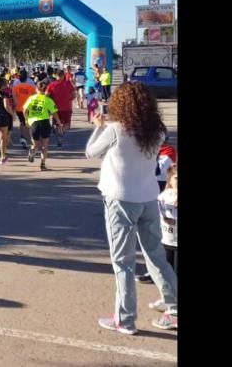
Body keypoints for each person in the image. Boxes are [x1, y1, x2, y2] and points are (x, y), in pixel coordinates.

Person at [86, 82, 177, 334]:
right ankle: (174, 308)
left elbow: (91, 152)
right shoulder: (156, 130)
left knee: (123, 262)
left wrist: (98, 128)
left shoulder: (116, 129)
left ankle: (125, 319)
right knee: (156, 256)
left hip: (120, 199)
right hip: (148, 198)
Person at [145, 164, 178, 317]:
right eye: (176, 178)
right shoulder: (164, 195)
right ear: (170, 179)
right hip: (166, 241)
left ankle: (175, 311)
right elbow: (157, 214)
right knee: (165, 273)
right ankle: (167, 300)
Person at [23, 81, 62, 171]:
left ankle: (32, 151)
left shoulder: (31, 98)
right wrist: (58, 122)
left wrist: (26, 119)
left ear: (36, 89)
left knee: (35, 144)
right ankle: (43, 165)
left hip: (34, 123)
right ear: (45, 90)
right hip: (44, 122)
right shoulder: (48, 100)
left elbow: (25, 109)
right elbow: (54, 112)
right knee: (45, 145)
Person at [46, 69, 75, 147]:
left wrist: (50, 102)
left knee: (56, 124)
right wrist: (68, 99)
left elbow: (46, 96)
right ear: (63, 75)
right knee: (67, 124)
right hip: (67, 108)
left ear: (56, 76)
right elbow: (74, 95)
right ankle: (62, 131)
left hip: (55, 108)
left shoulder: (51, 85)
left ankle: (59, 135)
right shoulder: (68, 84)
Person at [11, 71, 37, 149]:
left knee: (22, 122)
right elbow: (34, 97)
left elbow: (14, 97)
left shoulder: (15, 87)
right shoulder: (31, 86)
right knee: (28, 123)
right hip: (28, 108)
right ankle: (30, 138)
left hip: (19, 108)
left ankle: (23, 137)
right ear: (26, 77)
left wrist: (15, 106)